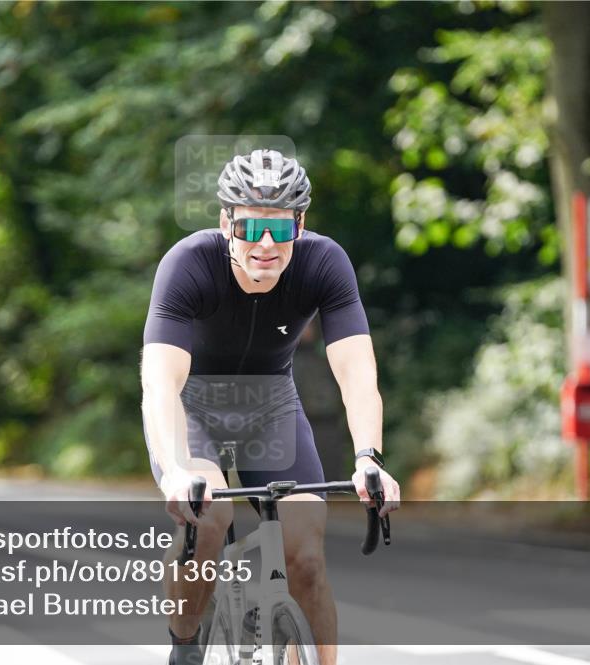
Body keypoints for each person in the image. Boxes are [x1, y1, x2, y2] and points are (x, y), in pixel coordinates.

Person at [142, 149, 400, 665]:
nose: (265, 245)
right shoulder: (188, 263)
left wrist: (369, 458)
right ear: (226, 222)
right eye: (250, 228)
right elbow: (161, 383)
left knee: (305, 558)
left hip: (270, 406)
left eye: (280, 230)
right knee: (210, 516)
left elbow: (356, 372)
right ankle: (186, 643)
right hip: (194, 409)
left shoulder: (325, 263)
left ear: (299, 227)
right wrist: (174, 470)